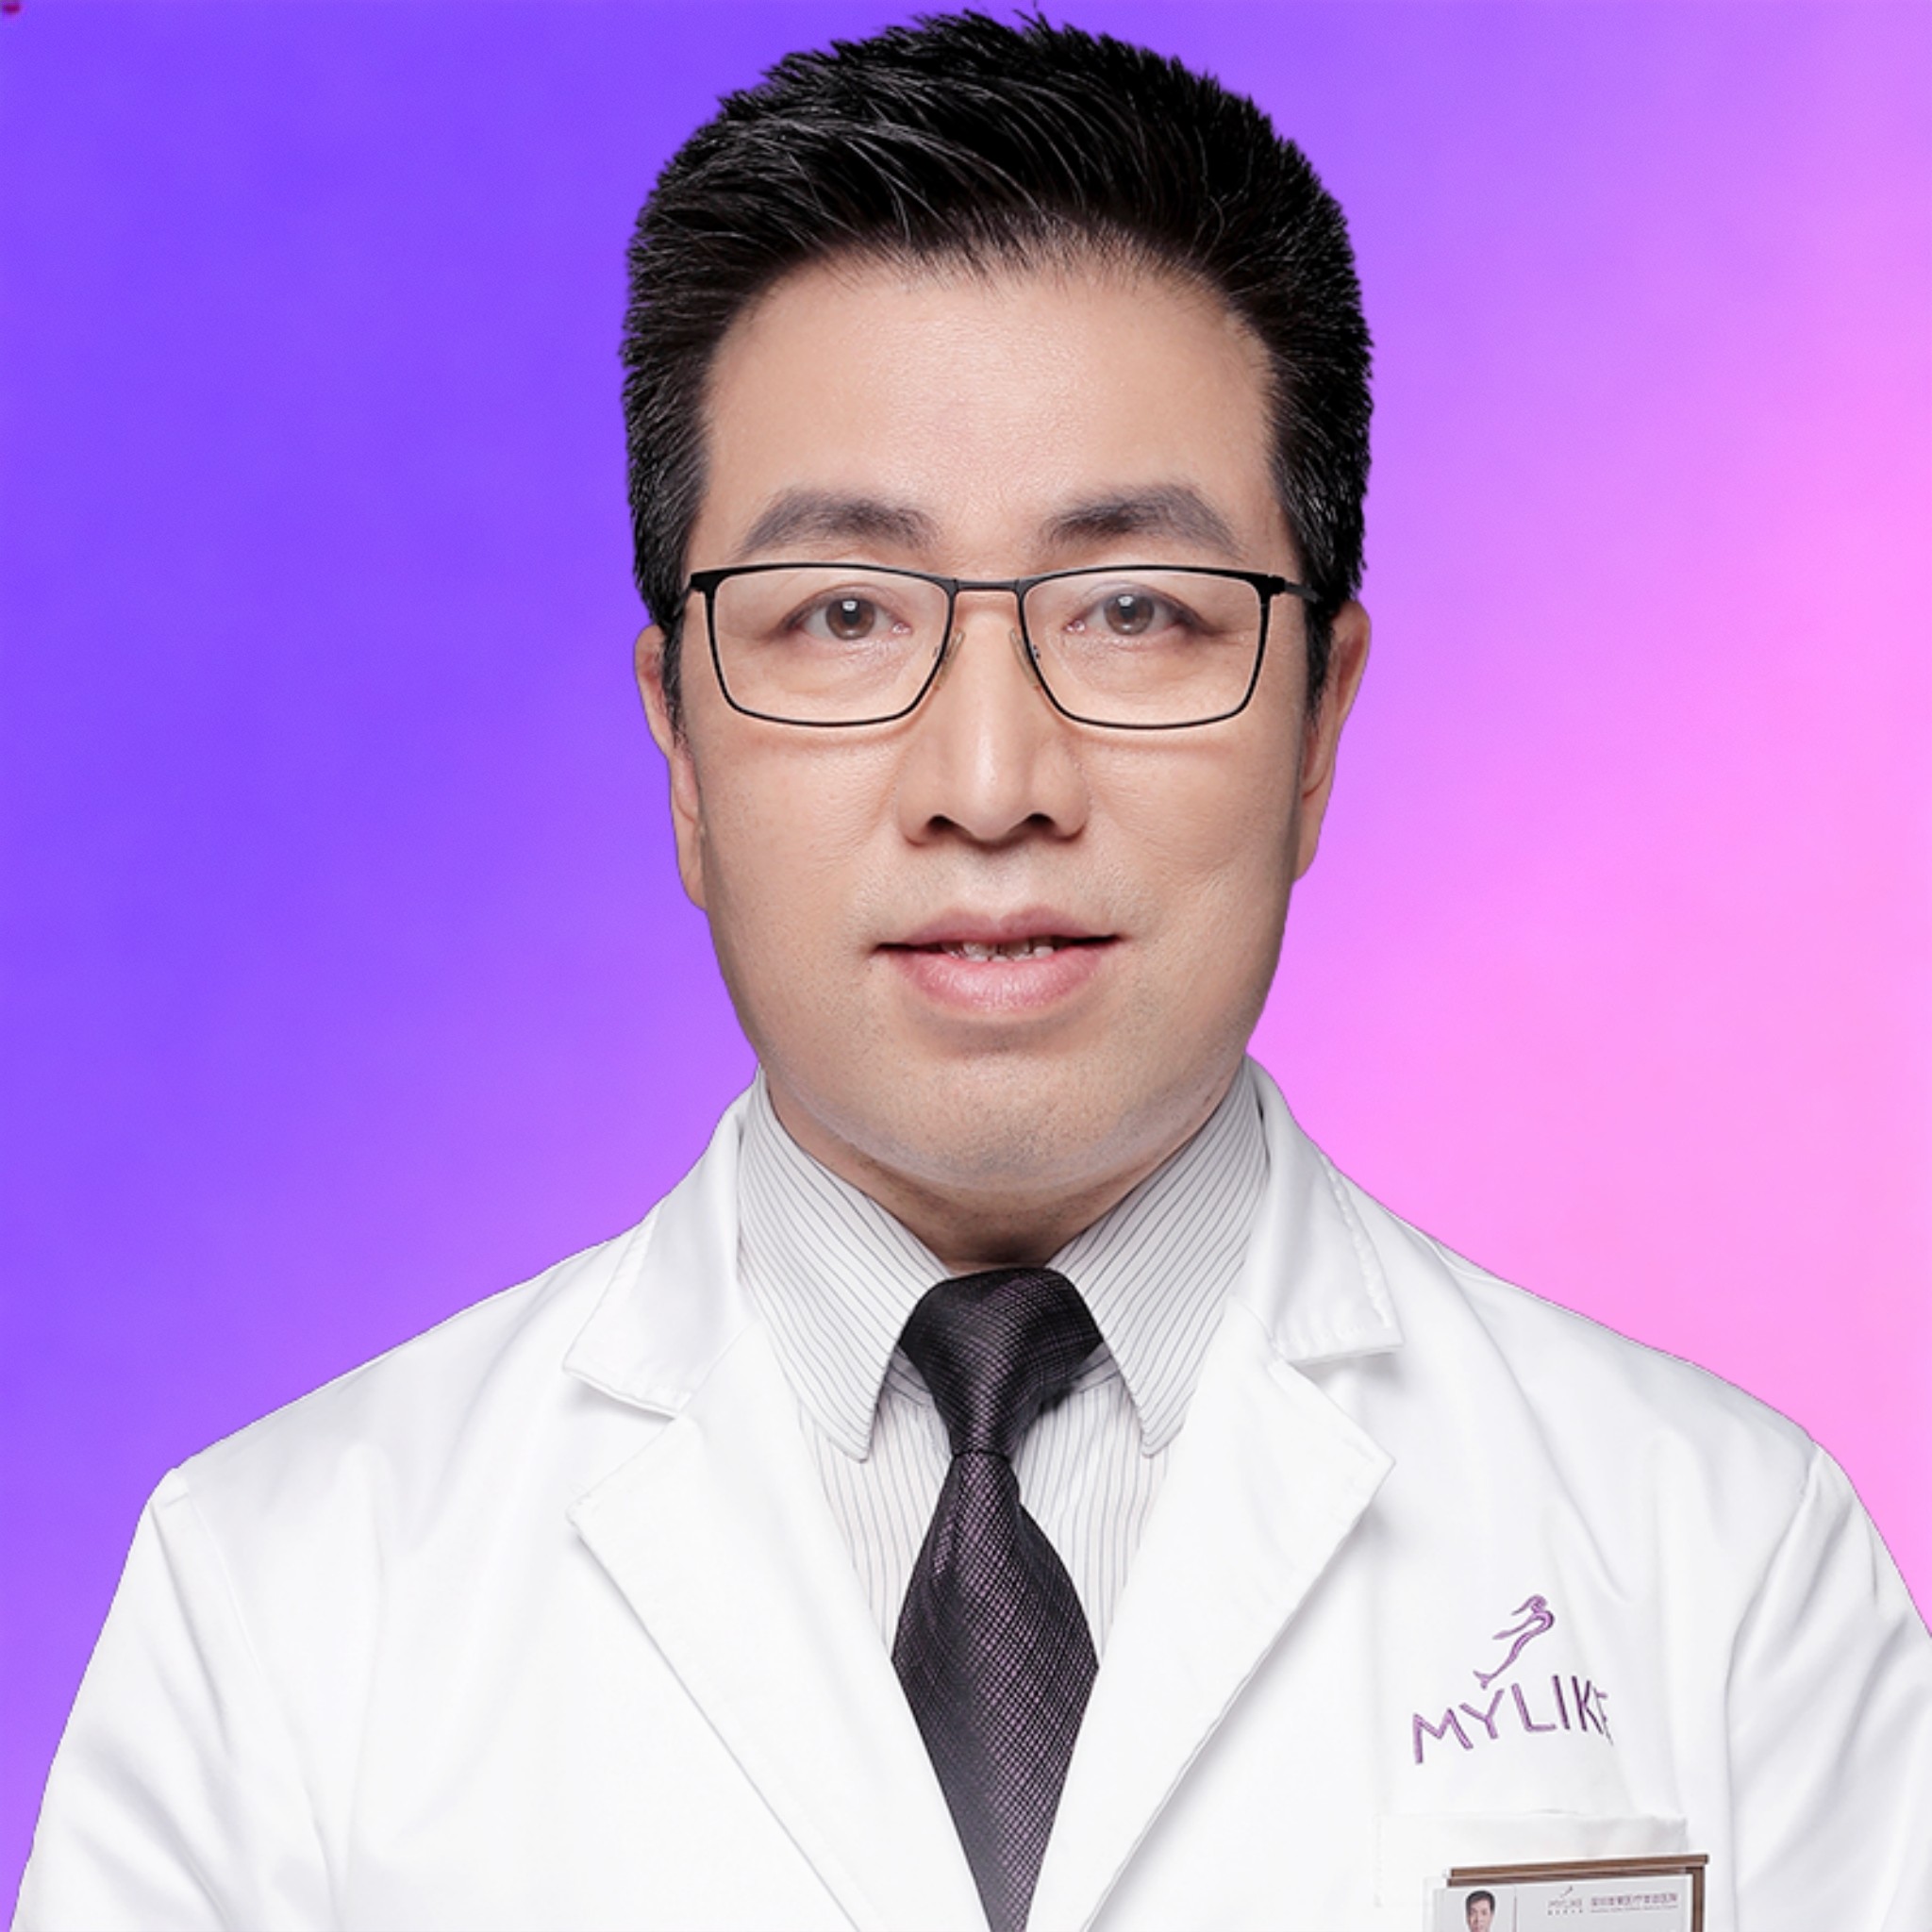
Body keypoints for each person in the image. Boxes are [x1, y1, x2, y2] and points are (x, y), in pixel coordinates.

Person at [15, 13, 1932, 1931]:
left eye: (1136, 610)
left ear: (1320, 726)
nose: (993, 781)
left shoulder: (1721, 1575)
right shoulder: (282, 1609)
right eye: (844, 613)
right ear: (679, 744)